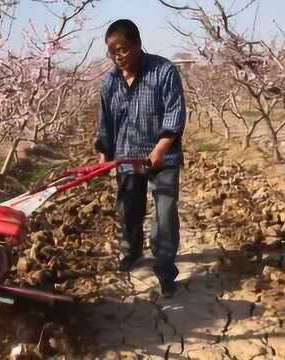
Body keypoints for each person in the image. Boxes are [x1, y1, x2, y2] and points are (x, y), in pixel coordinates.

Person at [94, 19, 186, 298]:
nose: (118, 57)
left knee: (165, 216)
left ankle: (166, 270)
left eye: (122, 50)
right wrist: (103, 154)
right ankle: (131, 251)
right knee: (128, 212)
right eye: (112, 52)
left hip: (162, 158)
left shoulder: (163, 71)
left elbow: (175, 113)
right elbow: (105, 122)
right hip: (126, 158)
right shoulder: (109, 81)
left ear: (137, 44)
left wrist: (160, 149)